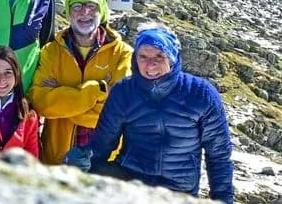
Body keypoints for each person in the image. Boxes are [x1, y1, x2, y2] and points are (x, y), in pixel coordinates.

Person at [65, 26, 234, 203]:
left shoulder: (201, 93)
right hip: (130, 179)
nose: (150, 64)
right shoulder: (124, 91)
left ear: (172, 57)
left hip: (178, 190)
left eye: (159, 56)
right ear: (135, 59)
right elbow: (102, 144)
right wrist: (83, 157)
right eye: (143, 57)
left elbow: (219, 155)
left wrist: (223, 199)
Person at [27, 0, 132, 164]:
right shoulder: (51, 51)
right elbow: (41, 102)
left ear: (102, 10)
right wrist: (97, 91)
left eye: (92, 5)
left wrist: (62, 100)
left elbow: (120, 110)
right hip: (58, 158)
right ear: (68, 12)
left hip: (106, 159)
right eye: (77, 6)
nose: (85, 12)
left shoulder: (123, 53)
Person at [0, 46, 39, 156]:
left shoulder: (28, 114)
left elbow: (31, 158)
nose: (2, 79)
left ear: (16, 75)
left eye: (8, 72)